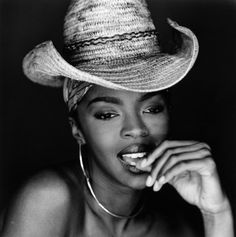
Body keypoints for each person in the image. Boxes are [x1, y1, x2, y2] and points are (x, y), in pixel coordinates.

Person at [0, 0, 234, 236]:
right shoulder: (48, 200)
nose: (136, 129)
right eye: (107, 114)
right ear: (77, 129)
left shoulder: (177, 226)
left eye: (152, 109)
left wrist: (216, 213)